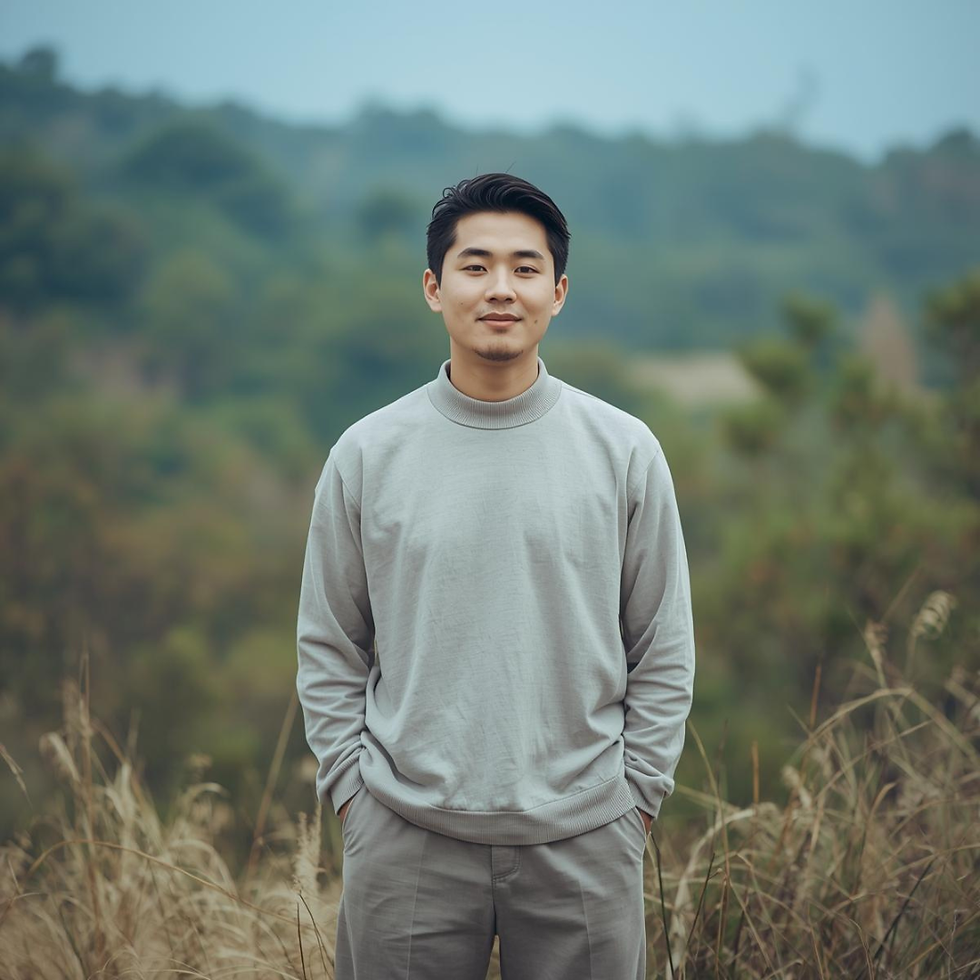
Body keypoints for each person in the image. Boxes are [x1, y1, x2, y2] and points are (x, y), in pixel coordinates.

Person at [296, 172, 696, 979]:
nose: (501, 289)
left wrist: (636, 801)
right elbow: (330, 644)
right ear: (433, 287)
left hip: (586, 836)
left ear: (559, 290)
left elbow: (662, 644)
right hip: (406, 837)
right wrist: (353, 796)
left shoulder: (623, 451)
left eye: (525, 267)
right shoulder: (368, 454)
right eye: (475, 267)